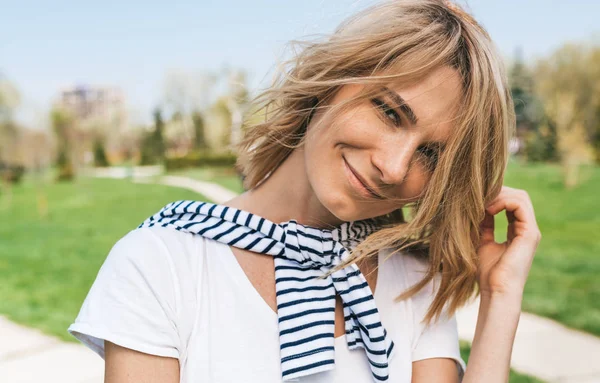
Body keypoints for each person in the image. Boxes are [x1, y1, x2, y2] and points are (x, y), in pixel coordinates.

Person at [68, 0, 541, 382]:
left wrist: (500, 297)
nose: (394, 167)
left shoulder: (412, 281)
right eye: (390, 112)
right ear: (332, 81)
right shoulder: (161, 263)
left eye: (432, 155)